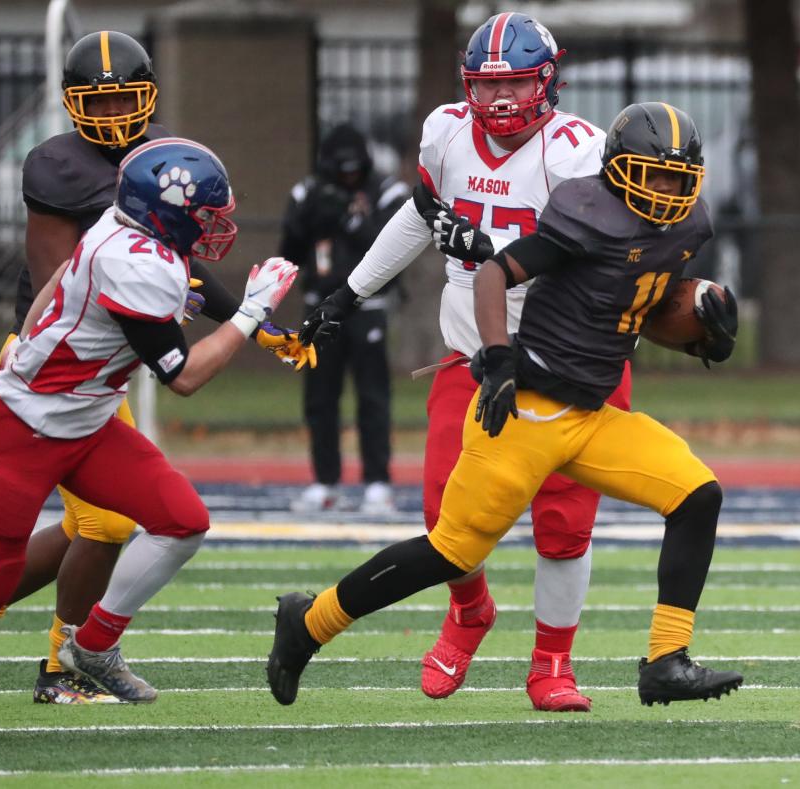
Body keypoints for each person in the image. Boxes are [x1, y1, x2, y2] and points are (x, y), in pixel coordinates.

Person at [269, 101, 744, 710]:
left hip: (592, 417)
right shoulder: (586, 213)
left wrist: (697, 329)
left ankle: (666, 661)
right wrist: (495, 359)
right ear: (620, 169)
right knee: (451, 551)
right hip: (528, 409)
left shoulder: (688, 226)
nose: (666, 191)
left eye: (678, 178)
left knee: (697, 493)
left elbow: (630, 302)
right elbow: (493, 273)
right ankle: (308, 624)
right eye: (654, 175)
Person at [0, 137, 300, 745]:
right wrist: (251, 313)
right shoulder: (137, 264)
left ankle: (92, 646)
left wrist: (29, 330)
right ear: (168, 213)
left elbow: (65, 274)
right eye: (206, 214)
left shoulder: (124, 231)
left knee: (183, 520)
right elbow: (186, 377)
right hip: (28, 430)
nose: (216, 226)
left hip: (87, 421)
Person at [0, 30, 313, 706]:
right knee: (106, 525)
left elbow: (186, 264)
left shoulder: (161, 156)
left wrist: (259, 330)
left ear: (149, 98)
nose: (111, 117)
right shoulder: (55, 166)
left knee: (90, 526)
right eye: (97, 105)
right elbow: (59, 280)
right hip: (56, 359)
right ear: (72, 104)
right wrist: (216, 322)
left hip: (113, 356)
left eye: (123, 102)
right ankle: (59, 664)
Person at [298, 12, 630, 710]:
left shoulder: (578, 153)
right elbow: (422, 214)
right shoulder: (446, 132)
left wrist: (490, 254)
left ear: (548, 80)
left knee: (563, 520)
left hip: (571, 353)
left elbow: (600, 264)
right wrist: (349, 292)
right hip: (476, 352)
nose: (502, 99)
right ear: (467, 85)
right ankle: (470, 611)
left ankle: (553, 663)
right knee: (446, 509)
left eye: (515, 82)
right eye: (488, 84)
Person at [280, 123, 409, 514]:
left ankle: (377, 482)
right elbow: (290, 249)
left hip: (367, 307)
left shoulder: (388, 192)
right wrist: (318, 215)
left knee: (372, 396)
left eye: (355, 170)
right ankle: (325, 481)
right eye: (342, 171)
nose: (349, 177)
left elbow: (394, 245)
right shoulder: (307, 192)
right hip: (320, 306)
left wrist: (354, 222)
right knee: (320, 398)